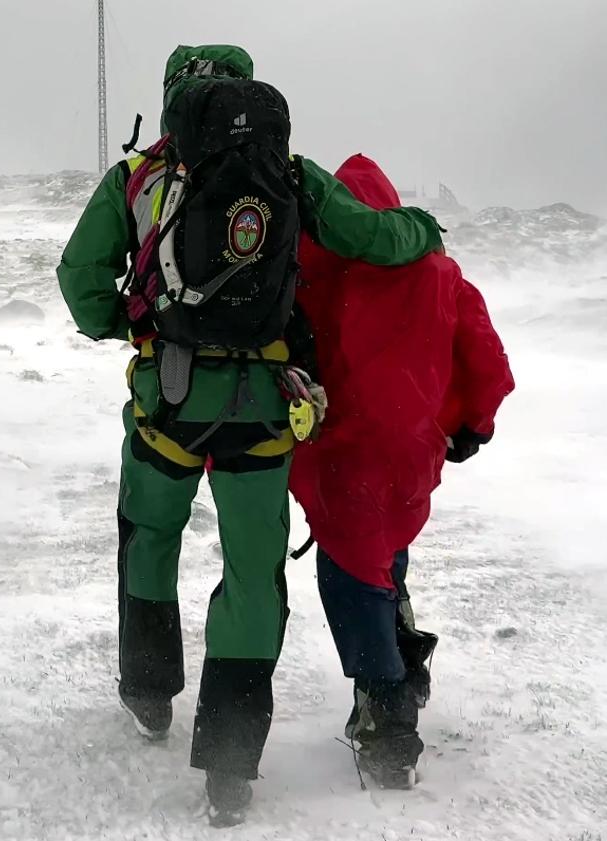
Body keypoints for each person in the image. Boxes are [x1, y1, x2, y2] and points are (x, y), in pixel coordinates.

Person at [57, 45, 444, 825]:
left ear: (173, 100)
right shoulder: (290, 173)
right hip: (263, 408)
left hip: (166, 402)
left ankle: (148, 692)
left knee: (150, 535)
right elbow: (372, 237)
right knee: (250, 573)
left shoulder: (137, 175)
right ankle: (229, 768)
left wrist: (127, 326)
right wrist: (423, 228)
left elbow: (79, 278)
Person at [290, 154, 515, 790]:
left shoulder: (312, 263)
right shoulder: (436, 269)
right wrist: (476, 423)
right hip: (413, 454)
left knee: (352, 575)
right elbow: (485, 354)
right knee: (386, 555)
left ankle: (387, 719)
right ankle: (404, 661)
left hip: (342, 453)